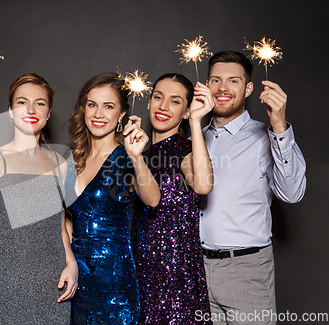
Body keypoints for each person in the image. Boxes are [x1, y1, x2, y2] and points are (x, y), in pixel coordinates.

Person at [199, 51, 306, 325]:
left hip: (246, 269)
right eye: (215, 80)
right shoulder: (194, 139)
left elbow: (292, 193)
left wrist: (279, 125)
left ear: (248, 89)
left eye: (233, 81)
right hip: (196, 267)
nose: (222, 88)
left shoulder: (264, 137)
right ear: (205, 85)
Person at [0, 73, 78, 324]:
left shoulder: (60, 162)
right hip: (5, 281)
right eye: (22, 102)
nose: (31, 109)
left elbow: (59, 226)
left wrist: (72, 264)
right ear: (9, 111)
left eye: (40, 103)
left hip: (52, 284)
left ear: (48, 113)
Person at [65, 72, 161, 324]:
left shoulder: (127, 157)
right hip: (73, 278)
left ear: (121, 115)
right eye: (92, 104)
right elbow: (64, 219)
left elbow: (152, 199)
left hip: (113, 284)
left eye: (108, 106)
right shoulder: (73, 158)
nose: (98, 113)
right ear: (83, 109)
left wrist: (137, 157)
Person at [131, 73, 214, 324]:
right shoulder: (139, 155)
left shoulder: (186, 152)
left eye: (175, 101)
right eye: (158, 97)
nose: (164, 106)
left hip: (177, 276)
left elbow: (203, 185)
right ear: (148, 102)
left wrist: (197, 123)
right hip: (141, 272)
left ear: (187, 111)